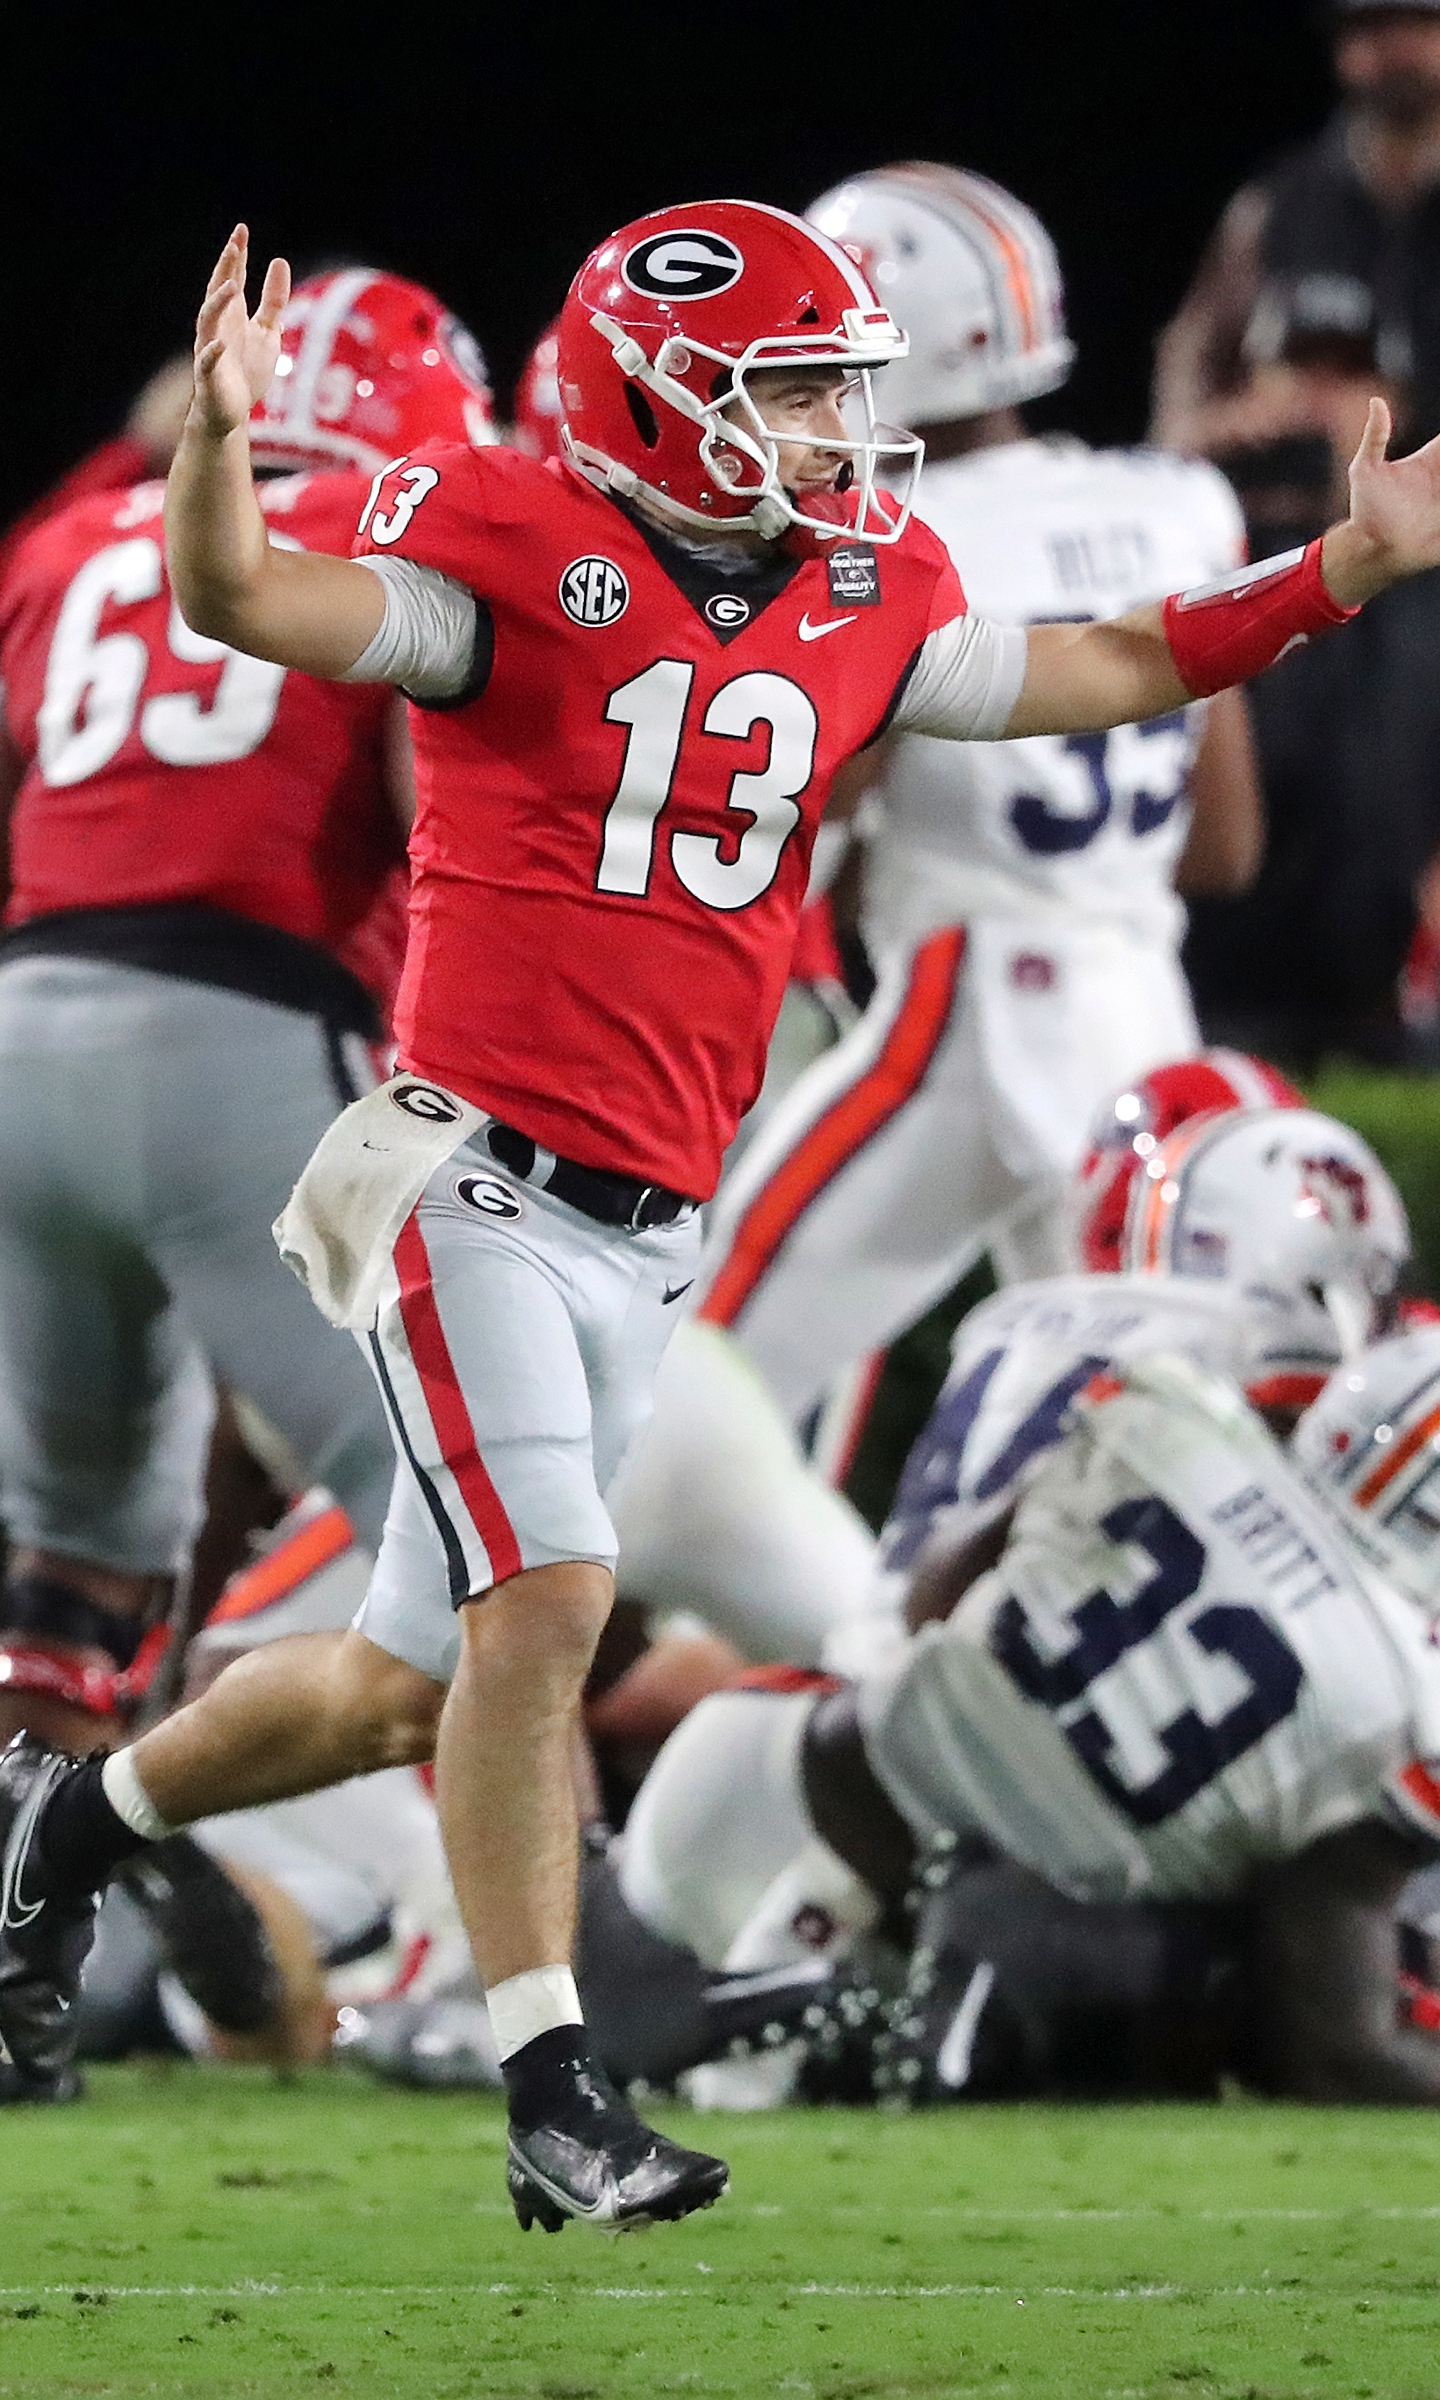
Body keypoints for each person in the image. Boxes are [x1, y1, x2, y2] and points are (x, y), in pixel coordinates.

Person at [3, 193, 1439, 2231]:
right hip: (461, 1171)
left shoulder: (862, 581)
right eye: (790, 389)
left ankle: (70, 1828)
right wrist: (220, 457)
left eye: (841, 386)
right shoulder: (509, 546)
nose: (840, 428)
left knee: (394, 1684)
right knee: (556, 1605)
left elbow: (1105, 660)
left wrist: (1335, 577)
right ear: (662, 399)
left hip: (650, 1220)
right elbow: (253, 607)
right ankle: (554, 2096)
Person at [0, 268, 497, 1762]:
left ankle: (38, 1938)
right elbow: (445, 842)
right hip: (249, 1049)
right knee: (481, 1517)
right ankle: (507, 1941)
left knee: (70, 1570)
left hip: (26, 1030)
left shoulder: (68, 544)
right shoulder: (392, 542)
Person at [619, 1297, 1440, 2105]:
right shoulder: (1400, 1706)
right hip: (969, 1931)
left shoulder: (1169, 1412)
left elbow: (921, 1602)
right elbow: (1331, 2050)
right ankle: (878, 2035)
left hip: (758, 1769)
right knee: (1229, 1948)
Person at [1153, 0, 1440, 1067]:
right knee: (1264, 814)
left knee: (1386, 830)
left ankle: (1385, 1041)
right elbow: (1186, 378)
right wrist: (1223, 423)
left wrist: (1395, 418)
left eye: (1413, 23)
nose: (1388, 51)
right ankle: (1230, 1049)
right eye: (1366, 28)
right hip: (1290, 556)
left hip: (1425, 574)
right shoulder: (1282, 203)